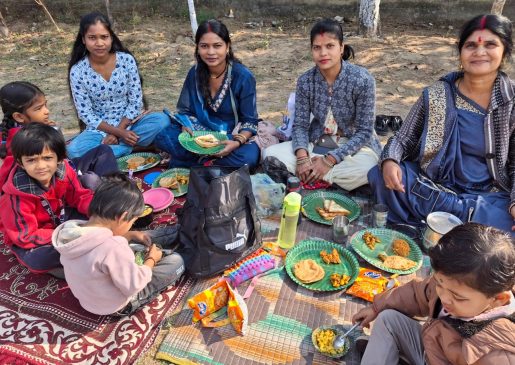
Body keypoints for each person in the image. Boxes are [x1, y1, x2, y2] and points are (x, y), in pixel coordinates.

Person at [367, 14, 515, 233]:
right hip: (435, 186)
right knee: (381, 175)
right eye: (471, 45)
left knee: (506, 226)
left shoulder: (511, 101)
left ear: (504, 51)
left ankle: (433, 223)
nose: (479, 52)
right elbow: (404, 138)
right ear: (460, 52)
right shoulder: (437, 94)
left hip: (487, 196)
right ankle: (456, 224)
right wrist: (390, 160)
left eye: (490, 45)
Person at [352, 222, 515, 364]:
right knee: (388, 319)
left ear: (498, 299)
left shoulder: (497, 352)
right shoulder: (449, 285)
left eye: (458, 297)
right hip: (429, 349)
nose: (443, 298)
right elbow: (417, 294)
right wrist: (375, 308)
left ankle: (394, 354)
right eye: (439, 284)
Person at [262, 19, 381, 191]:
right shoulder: (305, 81)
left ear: (341, 48)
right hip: (317, 143)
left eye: (330, 46)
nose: (323, 53)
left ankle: (309, 179)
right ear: (311, 50)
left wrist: (329, 161)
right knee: (269, 154)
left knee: (370, 168)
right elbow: (300, 125)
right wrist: (302, 158)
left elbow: (364, 132)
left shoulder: (363, 80)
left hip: (352, 148)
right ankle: (323, 179)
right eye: (317, 47)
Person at [52, 174, 185, 316]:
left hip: (90, 298)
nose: (131, 226)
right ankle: (176, 237)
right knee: (176, 260)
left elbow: (100, 245)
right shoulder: (114, 247)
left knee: (138, 238)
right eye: (132, 222)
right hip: (116, 305)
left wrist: (131, 234)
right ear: (122, 217)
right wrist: (151, 260)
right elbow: (134, 285)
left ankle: (172, 235)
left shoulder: (71, 230)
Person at [154, 19, 260, 169]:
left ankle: (193, 164)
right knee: (164, 136)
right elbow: (185, 110)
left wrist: (236, 142)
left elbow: (250, 120)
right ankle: (208, 164)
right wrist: (186, 126)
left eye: (217, 46)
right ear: (197, 48)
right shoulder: (195, 73)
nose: (211, 52)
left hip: (231, 135)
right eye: (204, 46)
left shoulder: (243, 77)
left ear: (227, 47)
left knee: (248, 158)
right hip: (200, 133)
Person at [66, 11, 170, 159]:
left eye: (104, 37)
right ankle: (134, 149)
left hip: (130, 123)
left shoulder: (126, 60)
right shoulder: (78, 71)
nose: (99, 43)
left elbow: (135, 101)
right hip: (99, 130)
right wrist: (119, 134)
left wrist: (120, 130)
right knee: (74, 151)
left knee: (161, 121)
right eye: (92, 38)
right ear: (83, 39)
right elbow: (86, 113)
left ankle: (107, 152)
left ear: (111, 37)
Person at [0, 124, 93, 274]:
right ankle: (68, 260)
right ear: (20, 163)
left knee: (99, 216)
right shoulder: (14, 199)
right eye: (31, 160)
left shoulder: (64, 172)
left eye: (47, 158)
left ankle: (76, 253)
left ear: (60, 158)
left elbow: (79, 196)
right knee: (39, 259)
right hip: (31, 236)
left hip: (59, 218)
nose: (41, 166)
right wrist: (66, 235)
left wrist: (97, 212)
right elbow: (24, 237)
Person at [0, 81, 118, 189]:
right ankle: (110, 192)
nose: (47, 111)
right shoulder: (26, 140)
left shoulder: (22, 129)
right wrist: (51, 133)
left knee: (103, 151)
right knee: (91, 180)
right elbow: (52, 171)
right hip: (57, 183)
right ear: (19, 117)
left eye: (45, 105)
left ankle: (110, 189)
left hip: (65, 169)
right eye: (39, 108)